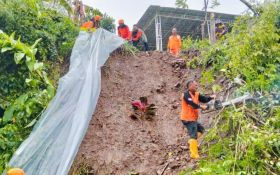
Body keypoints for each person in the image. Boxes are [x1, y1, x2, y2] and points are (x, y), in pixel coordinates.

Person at [180, 80, 216, 159]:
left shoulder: (196, 94)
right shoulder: (186, 95)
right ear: (190, 87)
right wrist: (201, 106)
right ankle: (194, 154)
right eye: (195, 85)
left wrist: (211, 97)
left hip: (193, 118)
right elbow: (192, 104)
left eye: (196, 85)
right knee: (193, 135)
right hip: (187, 118)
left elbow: (204, 99)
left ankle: (192, 142)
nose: (196, 86)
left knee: (201, 130)